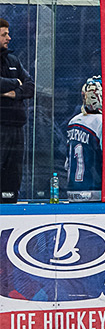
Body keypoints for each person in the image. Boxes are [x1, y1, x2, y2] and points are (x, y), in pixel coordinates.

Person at [0, 20, 34, 203]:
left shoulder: (13, 60)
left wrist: (11, 93)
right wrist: (16, 83)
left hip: (16, 127)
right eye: (4, 34)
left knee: (13, 173)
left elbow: (30, 86)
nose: (9, 38)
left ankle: (11, 204)